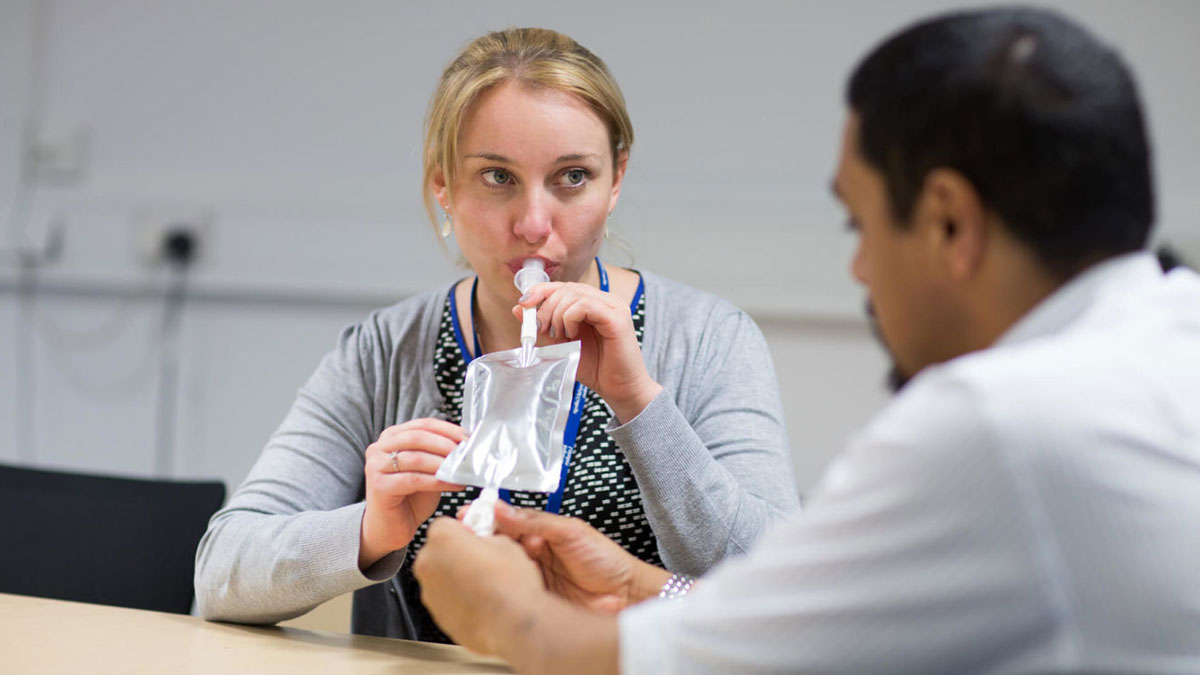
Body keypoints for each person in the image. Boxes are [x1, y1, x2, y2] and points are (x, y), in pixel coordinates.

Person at [412, 7, 1200, 673]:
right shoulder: (1171, 340)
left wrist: (503, 612)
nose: (857, 268)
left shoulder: (1001, 422)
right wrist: (648, 585)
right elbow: (832, 624)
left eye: (861, 225)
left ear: (950, 222)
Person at [194, 27, 799, 642]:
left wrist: (640, 403)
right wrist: (372, 529)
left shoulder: (708, 338)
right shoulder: (384, 350)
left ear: (615, 180)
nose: (535, 225)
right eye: (497, 177)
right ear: (443, 187)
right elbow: (220, 572)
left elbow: (778, 590)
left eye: (572, 177)